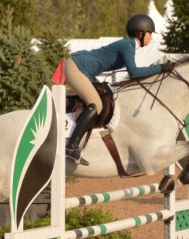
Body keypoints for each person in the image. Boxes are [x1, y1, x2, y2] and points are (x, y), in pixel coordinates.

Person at [63, 14, 174, 165]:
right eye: (150, 33)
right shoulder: (127, 45)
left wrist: (158, 68)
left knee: (103, 98)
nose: (151, 38)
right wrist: (160, 68)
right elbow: (133, 72)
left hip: (85, 70)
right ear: (140, 33)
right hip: (77, 67)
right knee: (96, 104)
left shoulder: (128, 45)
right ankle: (71, 146)